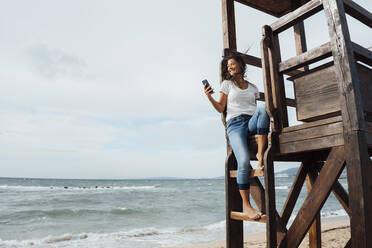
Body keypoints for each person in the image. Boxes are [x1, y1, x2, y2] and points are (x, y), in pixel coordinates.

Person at [204, 54, 269, 220]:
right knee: (244, 161)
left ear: (241, 65)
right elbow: (220, 108)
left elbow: (258, 110)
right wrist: (209, 96)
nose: (230, 67)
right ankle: (247, 205)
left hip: (251, 122)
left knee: (262, 108)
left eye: (232, 64)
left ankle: (261, 153)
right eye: (228, 66)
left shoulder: (253, 87)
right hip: (235, 125)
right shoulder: (227, 84)